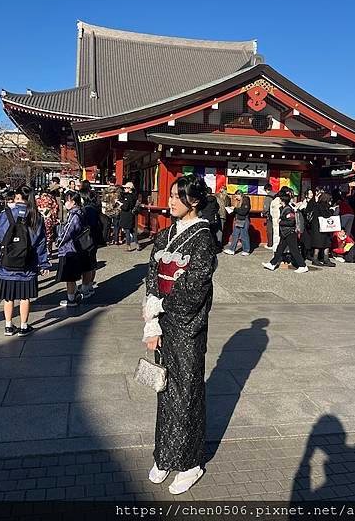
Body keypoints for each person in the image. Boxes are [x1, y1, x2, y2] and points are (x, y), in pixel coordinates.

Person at [143, 174, 217, 494]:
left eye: (177, 196)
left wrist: (163, 304)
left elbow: (196, 285)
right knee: (165, 390)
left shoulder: (203, 237)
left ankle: (190, 463)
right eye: (171, 195)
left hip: (188, 326)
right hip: (163, 322)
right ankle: (165, 454)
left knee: (186, 393)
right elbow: (151, 276)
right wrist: (152, 319)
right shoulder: (164, 235)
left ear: (194, 202)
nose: (170, 201)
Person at [0, 186, 50, 336]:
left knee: (8, 297)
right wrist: (43, 263)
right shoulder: (36, 217)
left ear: (17, 197)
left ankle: (8, 325)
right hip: (27, 263)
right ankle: (24, 326)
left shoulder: (4, 214)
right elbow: (41, 243)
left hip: (7, 262)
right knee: (25, 297)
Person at [262, 193, 309, 273]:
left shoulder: (288, 209)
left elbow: (291, 222)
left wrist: (281, 222)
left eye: (280, 199)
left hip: (289, 233)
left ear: (282, 200)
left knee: (294, 250)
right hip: (285, 233)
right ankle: (272, 264)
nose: (279, 200)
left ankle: (303, 266)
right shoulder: (284, 208)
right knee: (280, 249)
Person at [56, 191, 85, 306]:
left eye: (67, 200)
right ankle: (74, 294)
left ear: (73, 201)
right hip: (76, 247)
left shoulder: (74, 215)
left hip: (70, 249)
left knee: (69, 277)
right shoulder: (80, 212)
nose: (65, 203)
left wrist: (59, 242)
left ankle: (71, 299)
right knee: (71, 276)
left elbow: (68, 232)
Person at [79, 190, 100, 297]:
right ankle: (89, 285)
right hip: (93, 239)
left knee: (87, 265)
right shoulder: (94, 208)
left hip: (87, 240)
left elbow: (88, 226)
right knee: (92, 263)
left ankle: (85, 287)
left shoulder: (88, 210)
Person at [310, 192, 336, 267]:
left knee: (322, 243)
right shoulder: (322, 205)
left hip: (318, 227)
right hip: (320, 227)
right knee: (323, 243)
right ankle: (322, 259)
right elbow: (326, 215)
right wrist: (332, 210)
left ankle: (320, 259)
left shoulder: (317, 205)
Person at [223, 191, 251, 256]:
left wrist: (234, 209)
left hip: (244, 220)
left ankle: (246, 250)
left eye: (236, 196)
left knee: (244, 235)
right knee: (235, 235)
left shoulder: (246, 200)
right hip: (238, 220)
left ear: (240, 195)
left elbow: (243, 211)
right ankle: (231, 249)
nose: (235, 198)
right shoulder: (239, 201)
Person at [36, 188, 59, 256]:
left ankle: (41, 251)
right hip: (49, 219)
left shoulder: (38, 200)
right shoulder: (51, 199)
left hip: (40, 219)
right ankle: (49, 251)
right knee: (49, 236)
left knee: (40, 235)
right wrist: (54, 218)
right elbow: (55, 209)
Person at [119, 181, 137, 251]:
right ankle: (137, 244)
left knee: (127, 231)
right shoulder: (134, 196)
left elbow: (125, 207)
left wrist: (121, 205)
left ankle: (128, 246)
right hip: (131, 214)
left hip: (126, 215)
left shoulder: (128, 196)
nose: (125, 189)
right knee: (132, 230)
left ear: (129, 188)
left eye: (126, 188)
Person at [261, 183, 276, 249]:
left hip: (270, 216)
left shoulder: (268, 197)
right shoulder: (276, 195)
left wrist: (263, 213)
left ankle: (270, 244)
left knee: (269, 230)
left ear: (266, 190)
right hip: (277, 215)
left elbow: (266, 208)